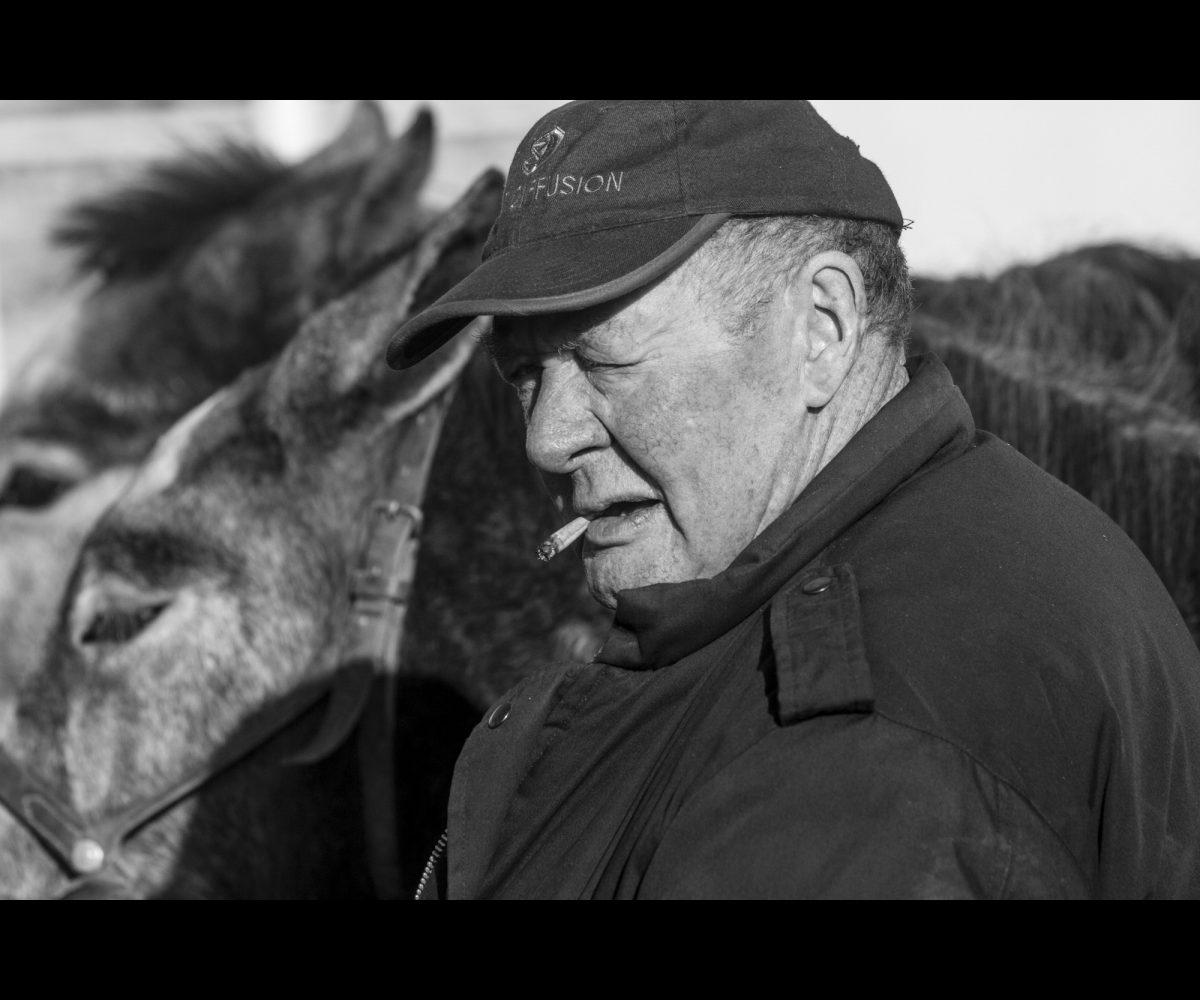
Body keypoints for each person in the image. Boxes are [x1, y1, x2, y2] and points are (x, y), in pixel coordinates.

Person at [385, 100, 1200, 898]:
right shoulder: (939, 546)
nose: (546, 439)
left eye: (602, 361)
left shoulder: (866, 738)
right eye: (524, 375)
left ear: (822, 327)